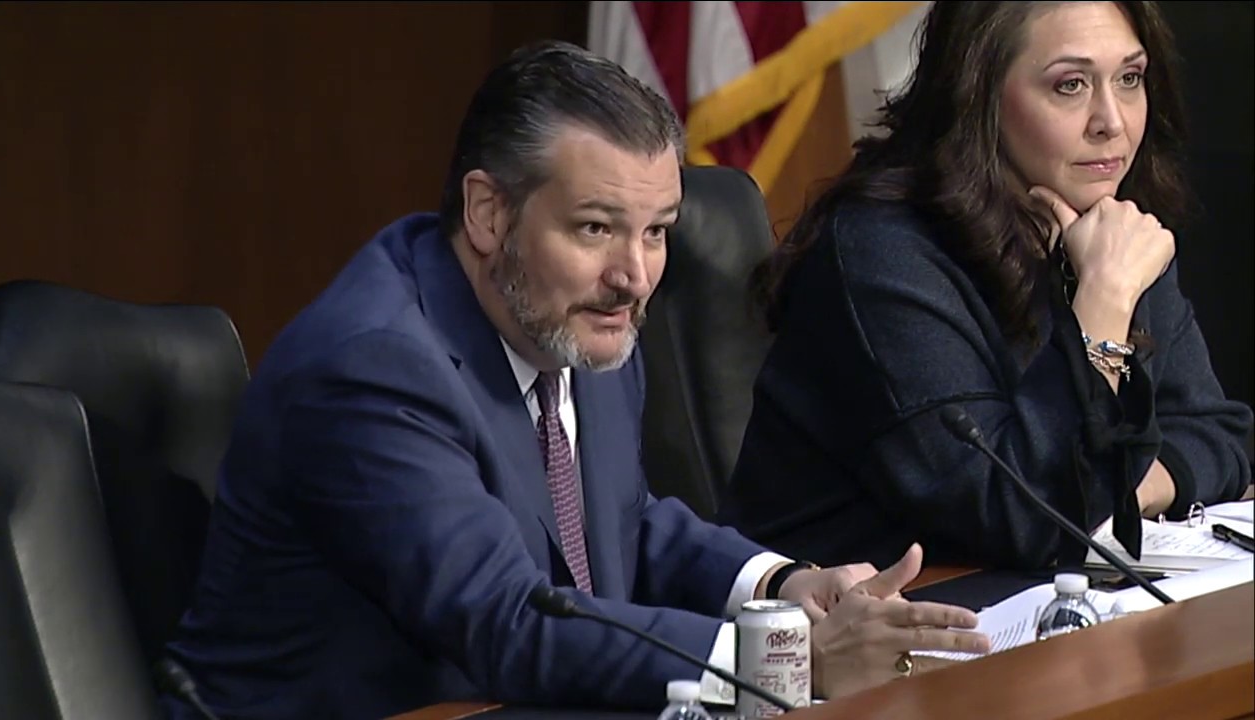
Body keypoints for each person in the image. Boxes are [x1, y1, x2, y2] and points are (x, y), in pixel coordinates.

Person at [160, 40, 988, 720]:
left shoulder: (569, 316)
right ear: (488, 213)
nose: (635, 276)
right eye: (596, 228)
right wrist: (786, 658)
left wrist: (781, 587)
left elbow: (620, 524)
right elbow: (507, 620)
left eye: (656, 232)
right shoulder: (373, 368)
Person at [721, 1, 1253, 573]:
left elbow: (1220, 435)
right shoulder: (882, 251)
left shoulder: (1113, 224)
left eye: (1129, 78)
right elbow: (1022, 516)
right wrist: (1102, 302)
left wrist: (1117, 490)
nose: (1113, 122)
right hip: (868, 609)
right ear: (980, 95)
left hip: (1035, 593)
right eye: (1070, 85)